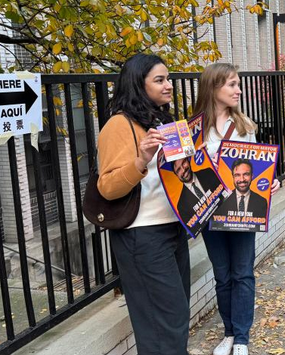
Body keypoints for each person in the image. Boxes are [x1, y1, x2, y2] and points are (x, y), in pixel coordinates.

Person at [97, 53, 191, 355]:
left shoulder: (164, 121)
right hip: (142, 235)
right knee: (162, 323)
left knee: (173, 318)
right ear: (139, 84)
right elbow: (108, 187)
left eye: (169, 79)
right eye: (159, 80)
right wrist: (140, 160)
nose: (168, 86)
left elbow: (174, 179)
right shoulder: (118, 125)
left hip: (173, 228)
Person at [193, 62, 280, 355]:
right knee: (222, 274)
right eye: (231, 84)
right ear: (213, 87)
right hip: (209, 213)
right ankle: (229, 332)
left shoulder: (245, 126)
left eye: (237, 84)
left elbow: (256, 168)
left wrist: (270, 183)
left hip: (243, 212)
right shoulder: (195, 130)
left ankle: (241, 337)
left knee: (242, 272)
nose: (238, 90)